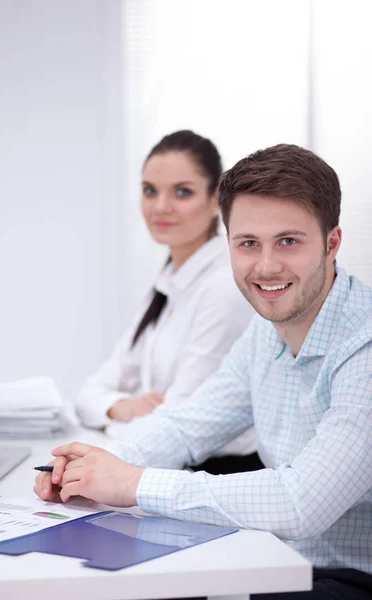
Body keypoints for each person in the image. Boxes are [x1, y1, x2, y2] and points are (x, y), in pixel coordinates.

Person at [35, 144, 372, 599]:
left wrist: (133, 482)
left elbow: (300, 502)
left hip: (349, 577)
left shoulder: (364, 345)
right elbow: (188, 425)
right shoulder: (265, 332)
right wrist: (84, 469)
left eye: (288, 241)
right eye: (248, 243)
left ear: (332, 243)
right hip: (280, 564)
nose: (267, 266)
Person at [76, 130, 258, 473]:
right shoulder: (167, 283)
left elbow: (181, 417)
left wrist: (106, 439)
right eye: (150, 191)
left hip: (214, 473)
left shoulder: (224, 287)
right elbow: (89, 394)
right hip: (159, 461)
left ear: (215, 198)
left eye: (182, 192)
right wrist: (121, 407)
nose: (161, 206)